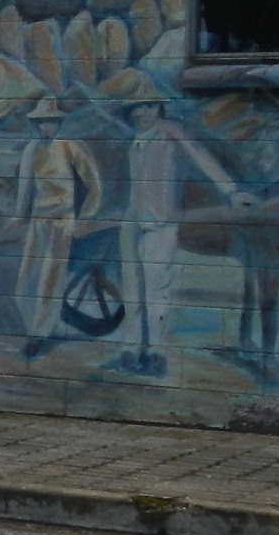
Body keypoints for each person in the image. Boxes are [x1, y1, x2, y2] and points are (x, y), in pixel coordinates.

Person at [112, 99, 250, 377]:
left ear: (159, 108)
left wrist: (231, 190)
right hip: (132, 224)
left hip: (161, 225)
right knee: (132, 292)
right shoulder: (137, 140)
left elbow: (199, 155)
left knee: (156, 292)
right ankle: (130, 349)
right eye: (137, 107)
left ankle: (155, 353)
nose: (142, 112)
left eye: (149, 106)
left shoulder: (170, 131)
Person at [14, 98, 102, 358]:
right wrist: (19, 217)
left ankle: (39, 335)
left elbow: (94, 185)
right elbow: (25, 188)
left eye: (51, 122)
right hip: (38, 222)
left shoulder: (70, 147)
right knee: (25, 284)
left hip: (62, 221)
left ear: (59, 122)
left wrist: (84, 218)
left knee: (49, 281)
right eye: (42, 123)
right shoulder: (32, 150)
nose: (46, 127)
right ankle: (32, 328)